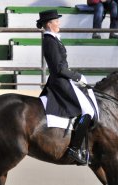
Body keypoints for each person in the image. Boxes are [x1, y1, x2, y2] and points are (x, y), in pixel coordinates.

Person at [36, 9, 97, 165]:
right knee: (88, 111)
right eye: (56, 21)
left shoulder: (54, 39)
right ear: (49, 24)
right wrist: (77, 76)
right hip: (60, 82)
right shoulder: (49, 40)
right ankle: (74, 149)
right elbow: (58, 68)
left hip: (64, 80)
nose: (59, 23)